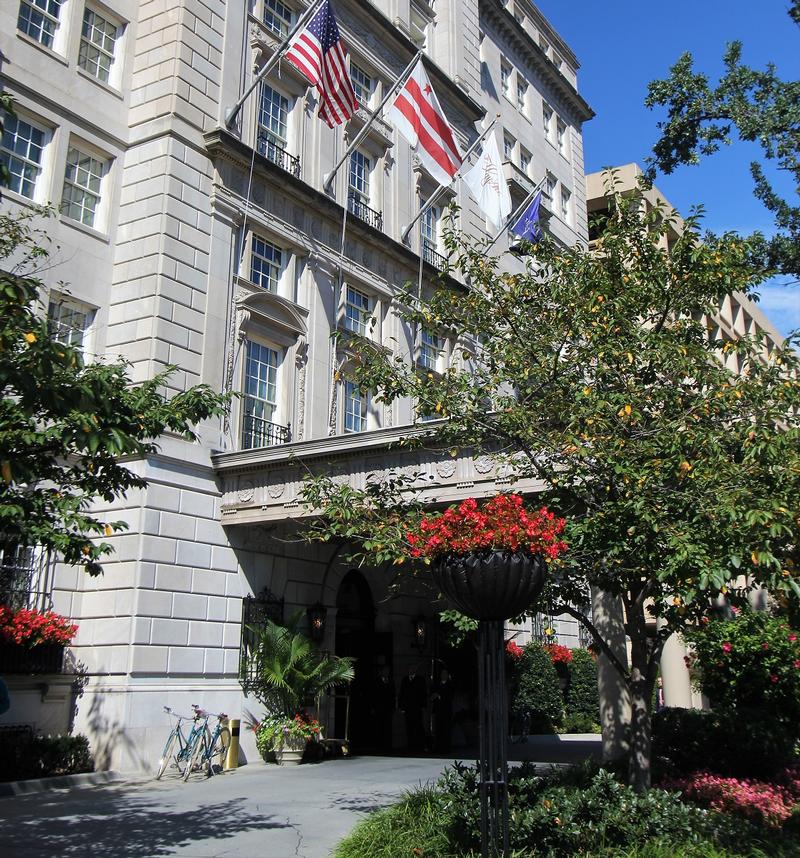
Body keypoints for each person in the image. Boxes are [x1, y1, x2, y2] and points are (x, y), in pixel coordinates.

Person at [398, 664, 427, 752]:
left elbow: (423, 693)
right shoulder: (405, 679)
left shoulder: (420, 679)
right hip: (407, 708)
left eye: (413, 668)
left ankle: (419, 745)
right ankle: (410, 745)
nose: (411, 670)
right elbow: (401, 694)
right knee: (409, 727)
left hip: (417, 707)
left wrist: (423, 706)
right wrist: (401, 707)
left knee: (418, 726)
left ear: (416, 670)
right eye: (410, 668)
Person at [431, 667, 454, 753]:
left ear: (447, 675)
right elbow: (431, 695)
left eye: (445, 674)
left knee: (446, 730)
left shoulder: (450, 685)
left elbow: (450, 697)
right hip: (438, 710)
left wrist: (439, 696)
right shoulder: (436, 684)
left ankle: (446, 748)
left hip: (446, 711)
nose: (443, 675)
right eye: (442, 674)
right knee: (438, 729)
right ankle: (438, 748)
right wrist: (433, 697)